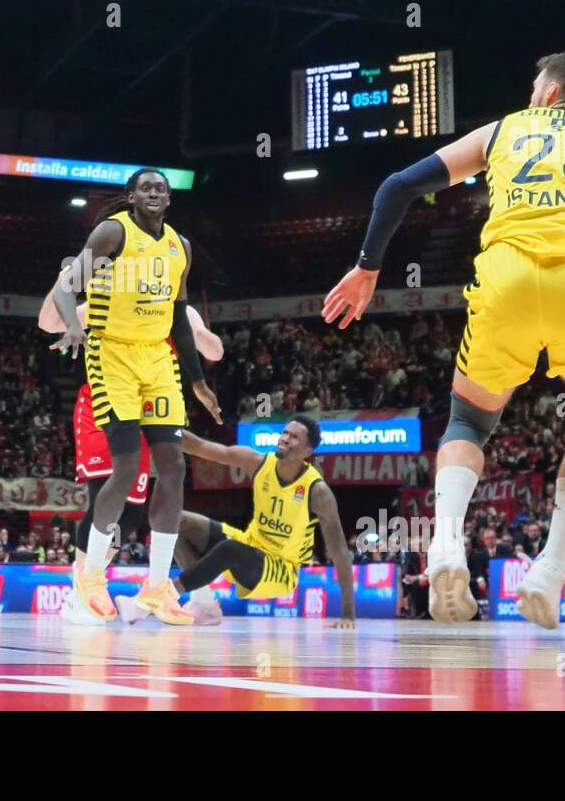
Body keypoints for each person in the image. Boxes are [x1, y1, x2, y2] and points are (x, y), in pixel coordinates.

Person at [323, 50, 565, 629]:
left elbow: (398, 186)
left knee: (469, 420)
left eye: (536, 85)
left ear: (551, 93)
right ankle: (550, 570)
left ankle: (447, 546)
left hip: (507, 280)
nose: (532, 93)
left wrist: (368, 267)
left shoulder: (504, 129)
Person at [51, 169, 222, 624]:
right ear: (132, 196)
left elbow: (180, 320)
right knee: (127, 467)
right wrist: (72, 324)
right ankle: (90, 577)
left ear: (168, 200)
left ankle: (157, 584)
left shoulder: (179, 247)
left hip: (156, 360)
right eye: (146, 187)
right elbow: (65, 287)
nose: (153, 193)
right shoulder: (112, 233)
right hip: (112, 355)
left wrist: (198, 380)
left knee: (174, 466)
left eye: (160, 189)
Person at [119, 415, 355, 629]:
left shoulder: (317, 491)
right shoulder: (259, 462)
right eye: (285, 432)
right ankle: (204, 605)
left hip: (280, 569)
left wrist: (348, 615)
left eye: (294, 437)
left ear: (307, 451)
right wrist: (160, 429)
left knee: (231, 549)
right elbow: (201, 447)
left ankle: (157, 597)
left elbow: (340, 552)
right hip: (250, 544)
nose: (285, 438)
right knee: (177, 521)